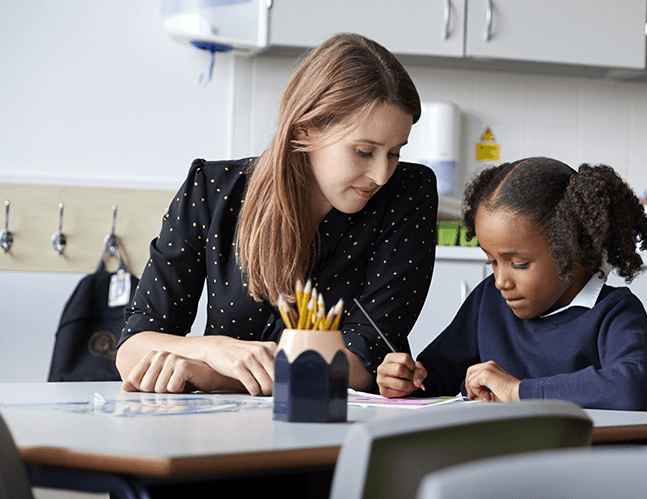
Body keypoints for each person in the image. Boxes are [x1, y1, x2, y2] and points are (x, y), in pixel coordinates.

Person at [115, 33, 438, 396]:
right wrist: (215, 349)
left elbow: (363, 363)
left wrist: (218, 376)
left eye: (394, 153)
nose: (382, 174)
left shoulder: (408, 193)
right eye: (364, 151)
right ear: (305, 130)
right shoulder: (211, 190)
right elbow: (133, 348)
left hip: (335, 427)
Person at [377, 157, 647, 410]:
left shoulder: (613, 311)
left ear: (574, 250)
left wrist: (517, 390)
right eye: (492, 262)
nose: (500, 281)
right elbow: (436, 378)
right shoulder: (489, 301)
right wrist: (405, 380)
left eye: (519, 264)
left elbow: (630, 387)